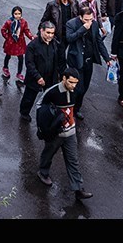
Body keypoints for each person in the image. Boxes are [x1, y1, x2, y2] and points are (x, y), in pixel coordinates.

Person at [35, 68, 93, 201]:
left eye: (76, 83)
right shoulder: (52, 91)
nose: (74, 86)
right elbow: (40, 105)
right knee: (48, 154)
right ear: (64, 79)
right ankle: (43, 172)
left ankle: (78, 188)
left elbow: (75, 108)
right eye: (71, 82)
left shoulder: (77, 91)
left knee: (73, 160)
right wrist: (45, 126)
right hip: (56, 133)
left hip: (70, 132)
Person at [65, 6, 109, 119]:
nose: (89, 22)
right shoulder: (72, 24)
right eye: (86, 19)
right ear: (80, 17)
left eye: (91, 19)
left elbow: (99, 42)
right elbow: (69, 38)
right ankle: (70, 108)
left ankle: (77, 107)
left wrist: (107, 58)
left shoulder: (94, 24)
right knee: (77, 88)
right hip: (76, 60)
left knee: (85, 87)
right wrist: (83, 28)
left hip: (88, 60)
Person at [19, 22, 63, 122]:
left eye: (52, 33)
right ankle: (24, 112)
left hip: (50, 77)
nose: (50, 35)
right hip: (35, 78)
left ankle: (46, 115)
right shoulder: (32, 46)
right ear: (41, 31)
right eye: (48, 32)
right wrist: (38, 77)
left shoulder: (55, 43)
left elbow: (59, 60)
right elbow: (29, 64)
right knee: (29, 98)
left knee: (49, 98)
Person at [0, 5, 34, 83]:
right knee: (8, 55)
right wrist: (7, 37)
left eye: (19, 13)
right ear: (13, 14)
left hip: (20, 43)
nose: (17, 15)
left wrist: (31, 37)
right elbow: (3, 30)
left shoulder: (23, 22)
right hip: (11, 43)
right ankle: (5, 68)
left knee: (21, 58)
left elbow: (26, 31)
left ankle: (19, 73)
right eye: (16, 14)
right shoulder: (9, 22)